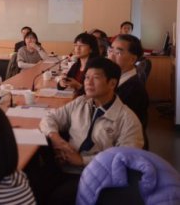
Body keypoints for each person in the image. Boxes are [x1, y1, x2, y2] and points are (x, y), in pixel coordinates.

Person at [38, 57, 144, 205]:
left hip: (98, 177)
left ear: (112, 83)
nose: (88, 82)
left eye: (96, 78)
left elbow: (126, 160)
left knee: (57, 198)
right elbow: (49, 118)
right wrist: (58, 140)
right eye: (87, 77)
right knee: (32, 183)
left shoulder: (127, 119)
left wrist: (82, 161)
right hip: (64, 166)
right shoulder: (81, 102)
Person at [107, 34, 149, 130]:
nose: (111, 56)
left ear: (133, 59)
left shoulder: (134, 90)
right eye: (111, 50)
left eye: (118, 52)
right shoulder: (116, 79)